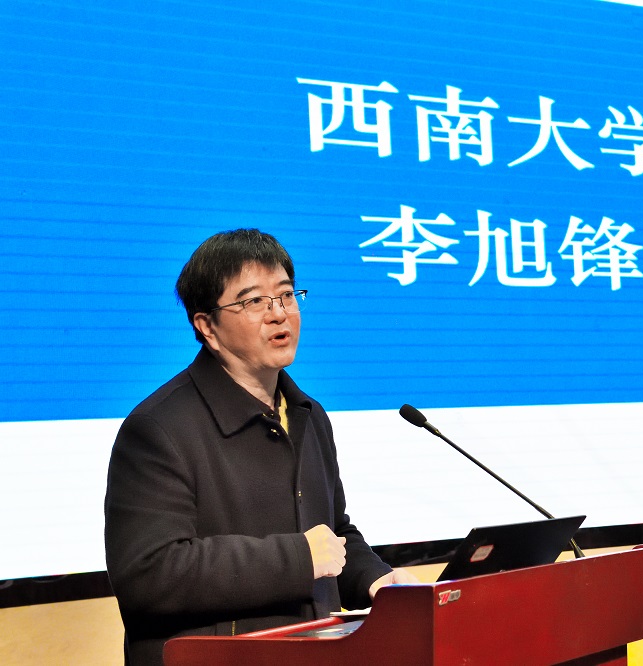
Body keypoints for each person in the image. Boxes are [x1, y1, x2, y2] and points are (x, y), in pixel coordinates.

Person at [104, 229, 416, 665]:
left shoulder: (308, 414)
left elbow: (333, 533)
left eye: (287, 295)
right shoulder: (158, 428)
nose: (279, 314)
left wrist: (376, 580)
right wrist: (298, 558)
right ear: (206, 326)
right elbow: (149, 574)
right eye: (254, 301)